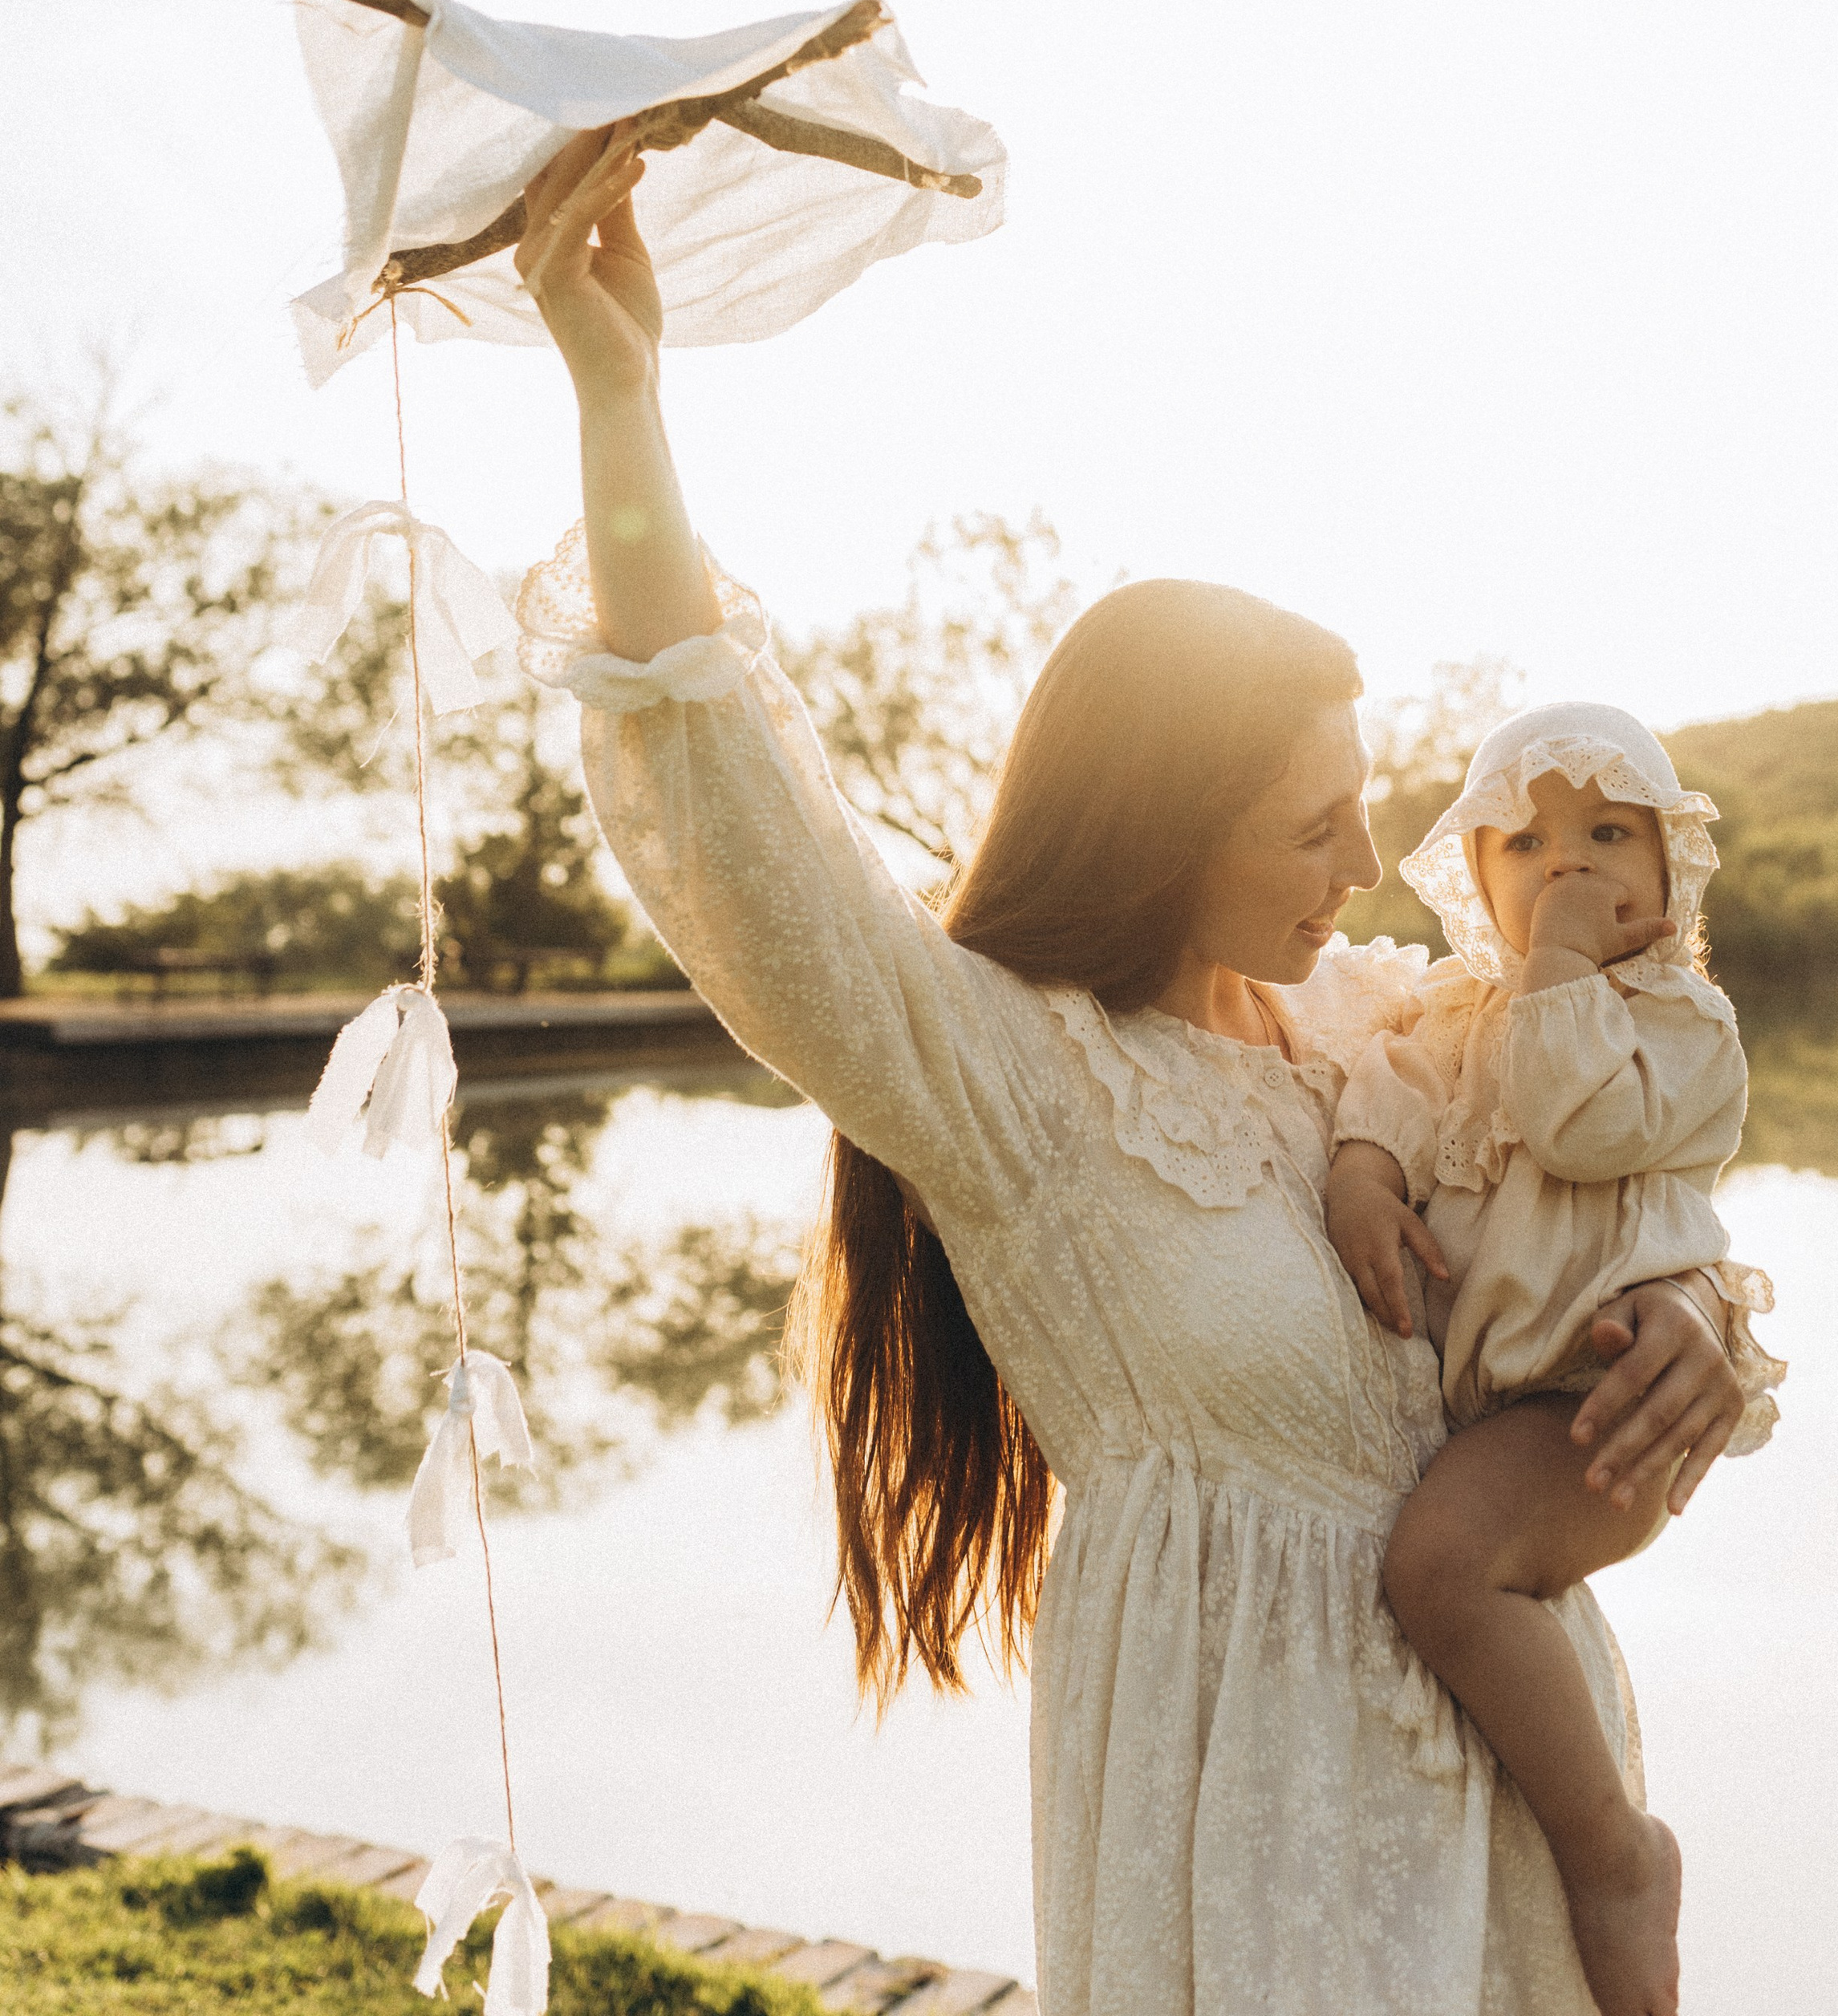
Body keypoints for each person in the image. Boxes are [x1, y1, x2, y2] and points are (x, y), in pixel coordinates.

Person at [509, 129, 1754, 2016]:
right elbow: (735, 823)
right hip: (1250, 1813)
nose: (1366, 870)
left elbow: (1608, 1191)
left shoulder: (1370, 1027)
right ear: (1170, 829)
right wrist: (620, 395)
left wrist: (1687, 1324)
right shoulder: (1015, 1077)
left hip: (1511, 1799)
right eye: (1310, 826)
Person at [1325, 708, 1783, 2016]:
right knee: (1448, 1564)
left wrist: (1567, 973)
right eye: (1525, 841)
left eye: (1605, 835)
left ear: (1667, 869)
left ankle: (1613, 1856)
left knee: (1440, 1567)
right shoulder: (1460, 1009)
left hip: (1607, 1402)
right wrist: (1363, 1173)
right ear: (1477, 874)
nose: (1566, 869)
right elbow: (1392, 1097)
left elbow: (1579, 1130)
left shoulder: (1684, 1023)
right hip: (1507, 1406)